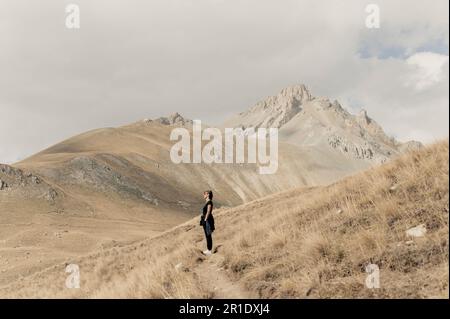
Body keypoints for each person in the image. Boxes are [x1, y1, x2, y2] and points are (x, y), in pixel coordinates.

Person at [200, 190, 215, 256]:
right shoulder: (207, 202)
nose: (203, 195)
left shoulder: (209, 202)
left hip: (208, 220)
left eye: (205, 194)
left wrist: (205, 220)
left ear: (208, 195)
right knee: (207, 235)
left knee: (208, 235)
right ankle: (208, 249)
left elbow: (208, 211)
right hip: (205, 220)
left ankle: (209, 250)